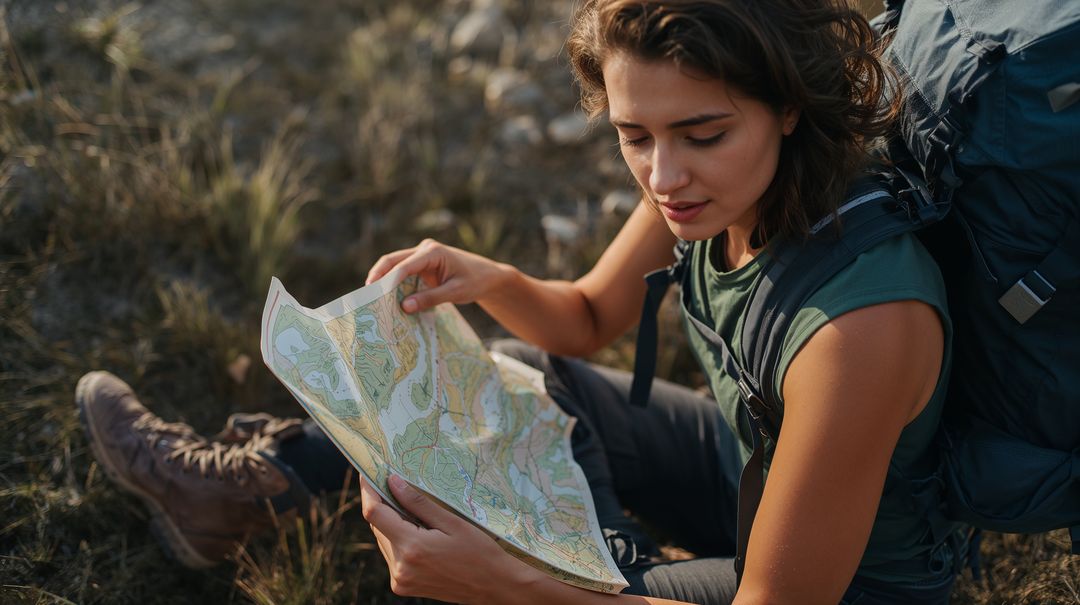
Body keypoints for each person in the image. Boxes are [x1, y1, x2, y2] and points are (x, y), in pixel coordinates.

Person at [77, 0, 968, 602]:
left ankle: (613, 567)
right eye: (633, 134)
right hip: (746, 467)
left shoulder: (860, 330)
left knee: (505, 563)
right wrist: (492, 279)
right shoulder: (716, 186)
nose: (662, 175)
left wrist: (512, 586)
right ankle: (241, 499)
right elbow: (586, 320)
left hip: (848, 584)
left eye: (702, 133)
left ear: (789, 107)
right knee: (530, 376)